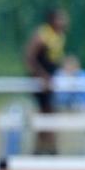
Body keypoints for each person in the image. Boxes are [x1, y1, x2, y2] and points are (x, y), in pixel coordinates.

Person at [23, 8, 69, 155]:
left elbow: (55, 59)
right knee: (45, 112)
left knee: (50, 112)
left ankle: (48, 148)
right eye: (60, 18)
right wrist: (41, 76)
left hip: (52, 80)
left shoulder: (60, 36)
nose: (64, 22)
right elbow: (29, 57)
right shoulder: (42, 34)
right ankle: (43, 149)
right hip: (40, 81)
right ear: (52, 20)